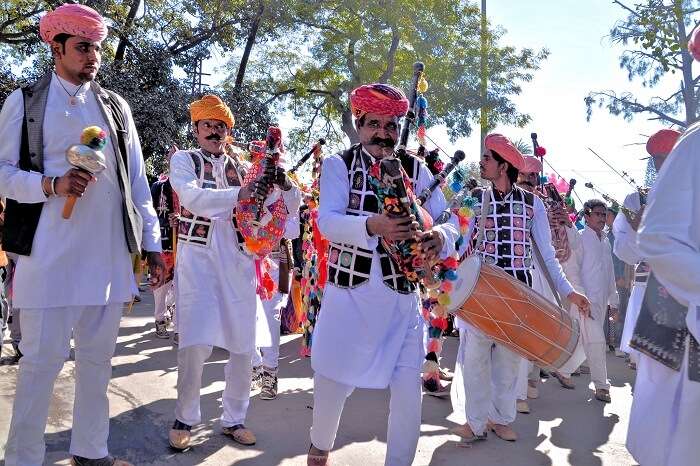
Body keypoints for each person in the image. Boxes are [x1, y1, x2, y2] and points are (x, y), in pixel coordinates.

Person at [0, 4, 163, 465]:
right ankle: (23, 459)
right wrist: (51, 185)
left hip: (107, 258)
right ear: (57, 47)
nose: (94, 55)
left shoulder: (114, 105)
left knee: (96, 366)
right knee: (40, 367)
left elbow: (136, 180)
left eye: (97, 46)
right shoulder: (26, 101)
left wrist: (151, 243)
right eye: (83, 47)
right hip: (47, 257)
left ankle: (91, 453)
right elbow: (2, 174)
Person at [307, 83, 458, 466]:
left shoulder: (415, 167)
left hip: (401, 303)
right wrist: (373, 226)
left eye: (391, 125)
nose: (384, 133)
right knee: (332, 381)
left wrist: (440, 236)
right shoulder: (340, 165)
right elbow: (328, 222)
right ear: (359, 124)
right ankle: (319, 445)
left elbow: (450, 217)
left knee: (409, 391)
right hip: (349, 299)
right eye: (375, 123)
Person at [167, 94, 301, 450]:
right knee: (195, 344)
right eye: (207, 125)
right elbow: (193, 198)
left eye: (220, 126)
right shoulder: (185, 160)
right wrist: (243, 193)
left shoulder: (246, 167)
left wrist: (284, 185)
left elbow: (284, 213)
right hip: (197, 259)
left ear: (228, 132)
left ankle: (234, 419)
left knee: (243, 345)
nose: (214, 131)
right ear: (196, 129)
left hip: (240, 259)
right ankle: (186, 417)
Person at [451, 135, 589, 443]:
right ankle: (475, 422)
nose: (482, 162)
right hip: (480, 291)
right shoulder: (475, 198)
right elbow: (460, 242)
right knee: (474, 360)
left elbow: (547, 253)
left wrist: (569, 292)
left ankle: (501, 419)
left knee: (509, 363)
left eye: (487, 158)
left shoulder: (532, 203)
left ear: (503, 166)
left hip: (518, 291)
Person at [626, 121, 699, 465]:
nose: (658, 163)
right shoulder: (695, 144)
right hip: (671, 303)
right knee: (672, 426)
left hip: (678, 291)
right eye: (655, 158)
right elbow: (649, 240)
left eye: (660, 156)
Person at [614, 129, 680, 369]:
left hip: (687, 294)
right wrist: (636, 229)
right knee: (650, 373)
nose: (663, 164)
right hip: (649, 294)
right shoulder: (636, 200)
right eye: (658, 158)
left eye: (669, 156)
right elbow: (624, 253)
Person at [554, 200, 618, 402]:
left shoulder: (605, 241)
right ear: (587, 216)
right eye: (597, 214)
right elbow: (571, 271)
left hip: (600, 302)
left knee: (586, 342)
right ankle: (602, 386)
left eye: (604, 214)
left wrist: (613, 302)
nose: (601, 218)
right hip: (583, 301)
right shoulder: (580, 239)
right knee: (597, 341)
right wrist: (580, 297)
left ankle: (564, 371)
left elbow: (610, 274)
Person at [252, 238, 298, 400]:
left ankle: (270, 373)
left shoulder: (283, 210)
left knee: (270, 318)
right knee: (247, 317)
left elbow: (293, 229)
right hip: (247, 259)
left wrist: (270, 226)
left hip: (276, 261)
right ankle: (255, 366)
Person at [150, 145, 179, 339]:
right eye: (172, 158)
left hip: (186, 245)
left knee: (182, 288)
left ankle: (179, 327)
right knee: (160, 286)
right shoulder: (158, 187)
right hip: (163, 243)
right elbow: (150, 214)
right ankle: (160, 320)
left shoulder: (191, 186)